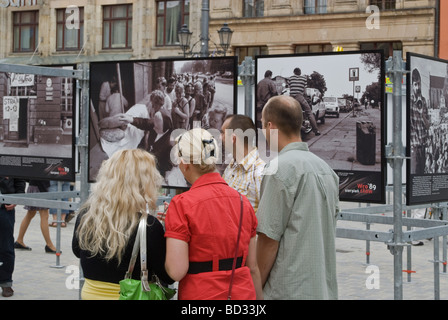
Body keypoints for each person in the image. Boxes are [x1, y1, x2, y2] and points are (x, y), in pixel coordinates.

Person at [164, 128, 263, 300]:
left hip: (200, 295)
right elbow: (252, 267)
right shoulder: (243, 202)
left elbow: (176, 271)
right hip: (242, 295)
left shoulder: (182, 204)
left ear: (185, 162)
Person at [256, 95, 339, 300]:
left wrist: (255, 289)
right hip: (321, 290)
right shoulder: (327, 170)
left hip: (287, 290)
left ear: (270, 126)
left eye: (262, 127)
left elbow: (268, 239)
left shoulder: (278, 169)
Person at [72, 149, 173, 300]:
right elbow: (167, 276)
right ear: (144, 182)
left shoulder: (86, 215)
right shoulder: (149, 226)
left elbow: (77, 250)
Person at [221, 115, 265, 213]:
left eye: (223, 133)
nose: (220, 138)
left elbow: (268, 217)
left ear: (233, 138)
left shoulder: (260, 172)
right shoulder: (231, 167)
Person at [15, 180, 58, 253]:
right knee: (44, 215)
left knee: (30, 214)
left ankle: (19, 240)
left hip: (33, 186)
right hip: (40, 188)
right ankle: (49, 244)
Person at [0, 177, 26, 298]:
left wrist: (16, 198)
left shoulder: (9, 158)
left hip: (5, 207)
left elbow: (19, 179)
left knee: (6, 245)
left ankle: (6, 282)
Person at [288, 67, 320, 136]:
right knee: (309, 113)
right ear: (300, 72)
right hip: (299, 96)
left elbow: (289, 88)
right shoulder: (303, 79)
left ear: (294, 72)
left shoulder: (290, 78)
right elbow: (304, 92)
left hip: (291, 98)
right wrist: (305, 98)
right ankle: (316, 130)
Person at [410, 68, 430, 175]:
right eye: (415, 84)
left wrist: (422, 114)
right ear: (412, 85)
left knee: (421, 178)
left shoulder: (424, 101)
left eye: (419, 84)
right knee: (414, 178)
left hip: (423, 148)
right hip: (414, 149)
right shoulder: (409, 102)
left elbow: (428, 126)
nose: (418, 87)